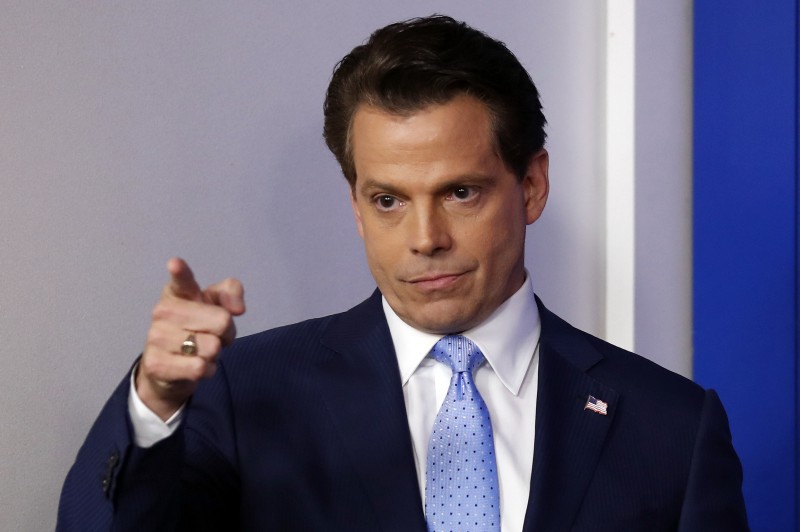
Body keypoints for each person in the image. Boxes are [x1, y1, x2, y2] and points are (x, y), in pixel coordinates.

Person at [57, 15, 748, 532]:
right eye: (388, 200)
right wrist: (155, 401)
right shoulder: (244, 396)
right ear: (357, 207)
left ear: (532, 186)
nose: (425, 240)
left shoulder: (672, 429)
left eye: (461, 193)